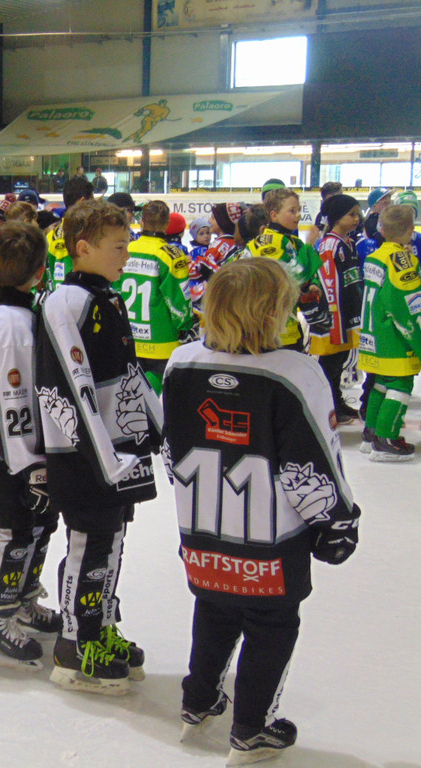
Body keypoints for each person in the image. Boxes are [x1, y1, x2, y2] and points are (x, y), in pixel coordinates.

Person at [162, 257, 359, 765]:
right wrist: (338, 523)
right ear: (275, 312)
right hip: (271, 541)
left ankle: (197, 702)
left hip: (203, 533)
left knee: (213, 609)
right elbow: (312, 464)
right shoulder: (294, 372)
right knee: (272, 626)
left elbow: (171, 451)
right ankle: (252, 728)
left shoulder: (181, 363)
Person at [37, 198, 161, 695]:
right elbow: (69, 386)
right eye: (118, 246)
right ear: (83, 247)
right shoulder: (65, 303)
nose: (126, 255)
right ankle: (74, 645)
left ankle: (99, 625)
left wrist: (156, 428)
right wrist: (102, 456)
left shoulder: (107, 297)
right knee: (89, 543)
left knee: (110, 541)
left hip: (116, 449)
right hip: (85, 454)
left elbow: (128, 372)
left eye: (127, 245)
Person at [0, 221, 59, 670]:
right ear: (41, 271)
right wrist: (30, 466)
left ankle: (21, 601)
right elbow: (15, 396)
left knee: (38, 526)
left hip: (17, 448)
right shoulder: (11, 323)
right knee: (11, 531)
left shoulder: (7, 310)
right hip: (4, 451)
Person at [358, 204, 421, 460]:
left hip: (372, 332)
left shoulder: (375, 256)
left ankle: (371, 434)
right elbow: (406, 304)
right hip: (392, 336)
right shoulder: (401, 261)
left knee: (381, 383)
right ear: (411, 230)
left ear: (382, 229)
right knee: (400, 383)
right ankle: (386, 439)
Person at [114, 200, 196, 394]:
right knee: (152, 396)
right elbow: (178, 298)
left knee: (132, 393)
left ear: (142, 222)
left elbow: (114, 287)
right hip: (161, 339)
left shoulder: (126, 249)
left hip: (129, 336)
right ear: (167, 224)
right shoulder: (172, 255)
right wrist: (185, 327)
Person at [245, 188, 331, 350]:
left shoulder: (291, 240)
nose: (298, 215)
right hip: (268, 329)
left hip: (286, 324)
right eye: (292, 211)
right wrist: (309, 244)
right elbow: (286, 279)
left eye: (299, 210)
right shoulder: (268, 241)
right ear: (274, 215)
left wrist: (311, 285)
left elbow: (303, 277)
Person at [311, 194, 364, 423]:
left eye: (357, 214)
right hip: (335, 316)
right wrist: (335, 319)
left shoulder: (348, 243)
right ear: (336, 217)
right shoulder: (330, 245)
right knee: (330, 364)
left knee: (340, 361)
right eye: (351, 214)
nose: (356, 219)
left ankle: (337, 401)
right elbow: (328, 284)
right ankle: (328, 406)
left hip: (347, 313)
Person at [45, 176, 94, 292]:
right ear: (82, 201)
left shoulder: (50, 237)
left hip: (56, 299)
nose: (95, 207)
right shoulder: (90, 237)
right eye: (93, 201)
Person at [305, 181, 343, 246]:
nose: (343, 199)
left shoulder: (346, 214)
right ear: (329, 196)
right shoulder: (320, 216)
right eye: (340, 196)